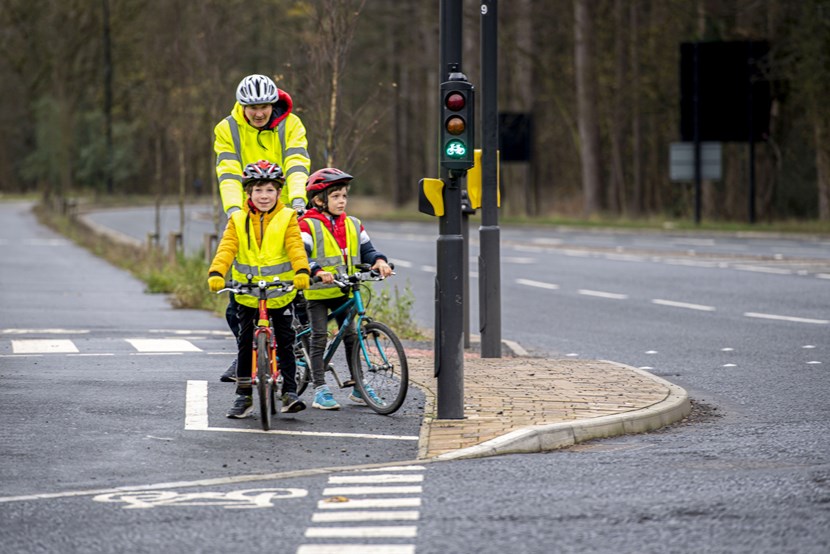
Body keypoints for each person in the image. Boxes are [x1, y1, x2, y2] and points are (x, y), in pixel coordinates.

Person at [214, 74, 311, 383]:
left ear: (273, 103)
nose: (258, 113)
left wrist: (297, 200)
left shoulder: (291, 124)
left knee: (292, 284)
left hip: (284, 209)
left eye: (264, 107)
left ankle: (292, 348)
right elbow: (228, 172)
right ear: (242, 105)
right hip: (244, 212)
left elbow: (297, 163)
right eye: (251, 107)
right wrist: (233, 210)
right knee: (239, 299)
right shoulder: (226, 129)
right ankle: (252, 351)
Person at [207, 160, 311, 418]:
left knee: (286, 342)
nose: (264, 196)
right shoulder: (237, 219)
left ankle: (289, 392)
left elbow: (296, 247)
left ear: (279, 193)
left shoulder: (287, 217)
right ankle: (243, 396)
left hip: (281, 291)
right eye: (258, 190)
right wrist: (217, 272)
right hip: (247, 291)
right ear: (248, 193)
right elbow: (227, 248)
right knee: (245, 342)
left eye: (270, 190)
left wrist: (301, 271)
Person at [298, 168, 393, 410]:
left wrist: (379, 261)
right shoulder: (307, 224)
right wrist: (317, 271)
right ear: (319, 200)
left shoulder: (353, 223)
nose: (342, 201)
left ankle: (358, 386)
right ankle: (319, 388)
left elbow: (368, 249)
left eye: (344, 196)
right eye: (336, 196)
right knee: (318, 337)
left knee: (352, 337)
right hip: (317, 292)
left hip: (344, 290)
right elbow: (301, 254)